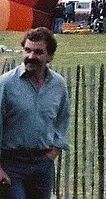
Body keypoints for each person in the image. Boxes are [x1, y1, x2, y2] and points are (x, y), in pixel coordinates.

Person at [0, 28, 70, 199]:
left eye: (38, 52)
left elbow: (62, 120)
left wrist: (54, 152)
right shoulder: (6, 84)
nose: (31, 56)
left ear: (50, 56)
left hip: (42, 165)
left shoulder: (58, 85)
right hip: (12, 164)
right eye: (28, 50)